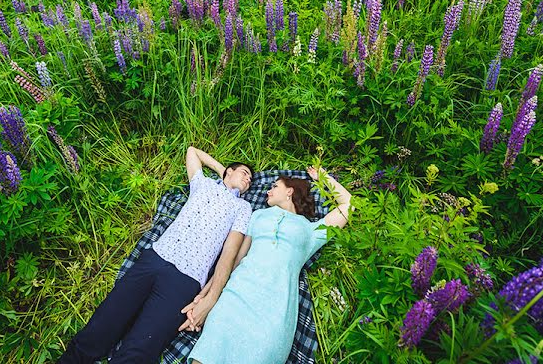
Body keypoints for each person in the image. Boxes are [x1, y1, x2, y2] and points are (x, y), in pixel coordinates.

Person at [57, 146, 253, 364]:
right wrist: (222, 170)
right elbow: (192, 151)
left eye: (251, 179)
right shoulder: (203, 184)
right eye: (244, 172)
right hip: (157, 257)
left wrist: (211, 298)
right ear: (230, 171)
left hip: (186, 279)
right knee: (101, 326)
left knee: (140, 350)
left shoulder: (242, 207)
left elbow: (229, 254)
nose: (248, 179)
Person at [185, 166, 353, 364]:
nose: (267, 190)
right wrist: (203, 298)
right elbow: (235, 260)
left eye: (274, 186)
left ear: (289, 191)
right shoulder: (258, 216)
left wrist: (323, 177)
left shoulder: (310, 231)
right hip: (235, 299)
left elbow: (349, 204)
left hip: (274, 314)